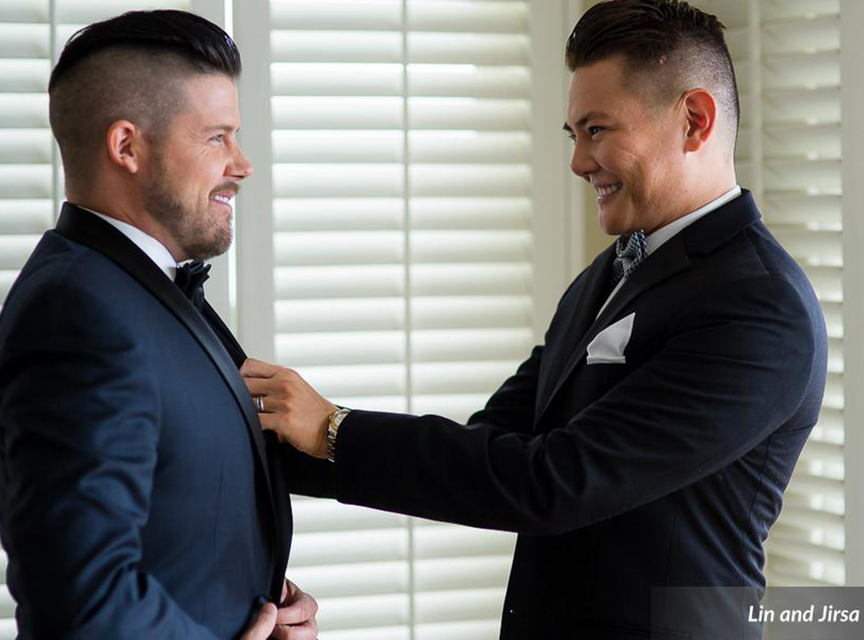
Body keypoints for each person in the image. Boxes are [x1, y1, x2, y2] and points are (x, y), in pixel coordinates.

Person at [241, 1, 828, 638]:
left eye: (597, 130)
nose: (579, 162)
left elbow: (552, 482)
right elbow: (493, 447)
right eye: (573, 135)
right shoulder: (605, 275)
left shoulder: (762, 308)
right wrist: (259, 444)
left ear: (693, 120)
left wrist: (333, 427)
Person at [0, 10, 316, 639]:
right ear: (126, 146)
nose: (242, 164)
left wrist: (258, 599)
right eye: (217, 137)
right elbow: (84, 597)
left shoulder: (134, 288)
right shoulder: (77, 311)